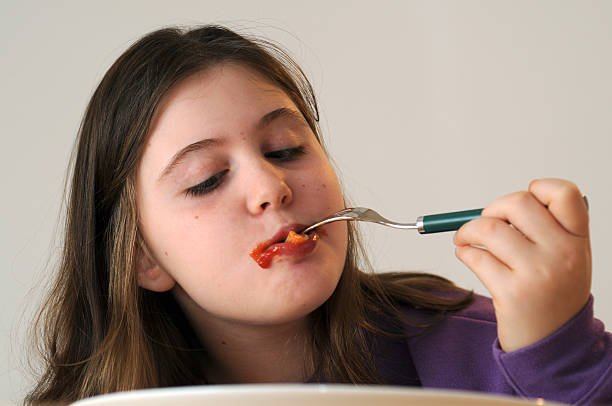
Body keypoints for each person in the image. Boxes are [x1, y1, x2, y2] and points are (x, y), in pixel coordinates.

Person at [26, 25, 612, 405]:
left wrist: (561, 357)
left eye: (286, 149)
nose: (270, 186)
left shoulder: (482, 349)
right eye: (206, 180)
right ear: (142, 257)